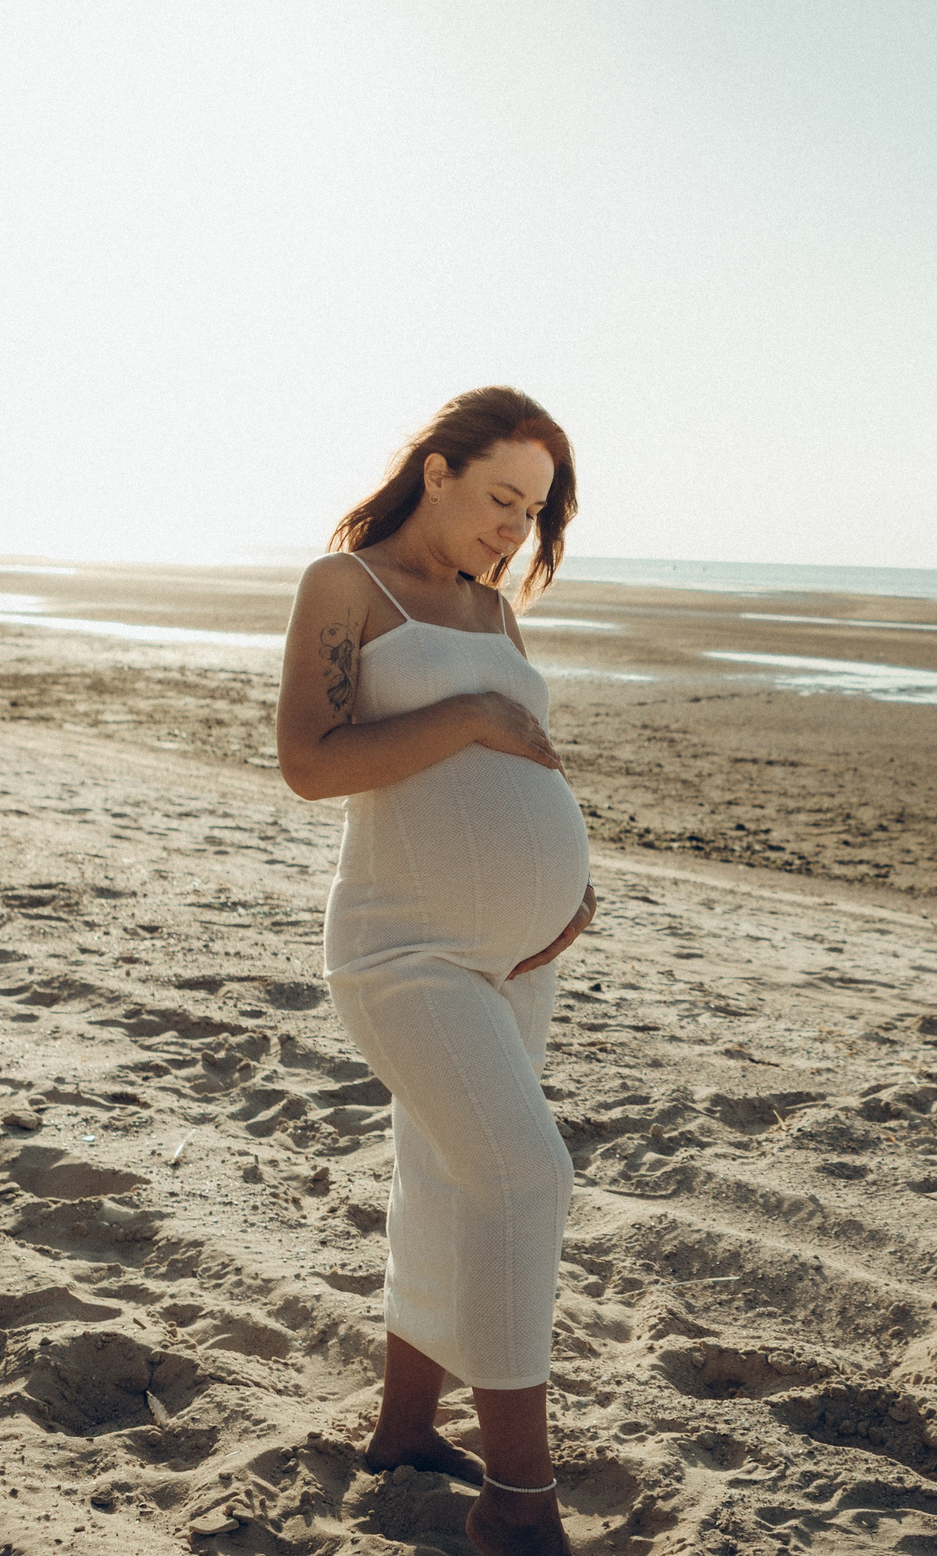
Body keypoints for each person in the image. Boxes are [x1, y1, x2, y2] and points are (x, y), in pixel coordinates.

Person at [276, 386, 595, 1556]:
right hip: (403, 946)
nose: (514, 531)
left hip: (520, 954)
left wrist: (571, 883)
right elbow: (310, 763)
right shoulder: (345, 588)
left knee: (449, 1181)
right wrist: (463, 716)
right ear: (438, 472)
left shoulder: (494, 612)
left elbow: (531, 756)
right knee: (523, 1178)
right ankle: (518, 1505)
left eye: (536, 512)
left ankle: (405, 1430)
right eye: (500, 499)